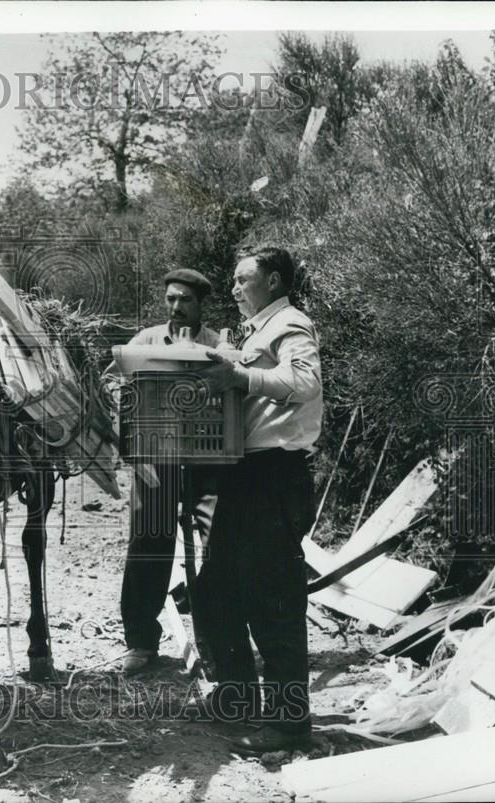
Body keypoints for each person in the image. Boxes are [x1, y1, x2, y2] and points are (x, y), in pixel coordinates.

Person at [198, 246, 323, 754]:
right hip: (247, 475)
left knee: (274, 602)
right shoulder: (255, 332)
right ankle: (238, 700)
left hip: (274, 475)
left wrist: (240, 376)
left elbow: (306, 382)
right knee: (219, 590)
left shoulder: (291, 323)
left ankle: (289, 726)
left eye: (242, 278)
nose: (233, 288)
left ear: (272, 281)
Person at [113, 268, 221, 675]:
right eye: (171, 299)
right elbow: (120, 393)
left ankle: (214, 641)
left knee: (214, 548)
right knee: (148, 543)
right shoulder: (144, 342)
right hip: (155, 459)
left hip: (206, 458)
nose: (177, 307)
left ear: (200, 305)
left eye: (186, 300)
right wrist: (132, 452)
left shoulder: (218, 345)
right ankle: (141, 642)